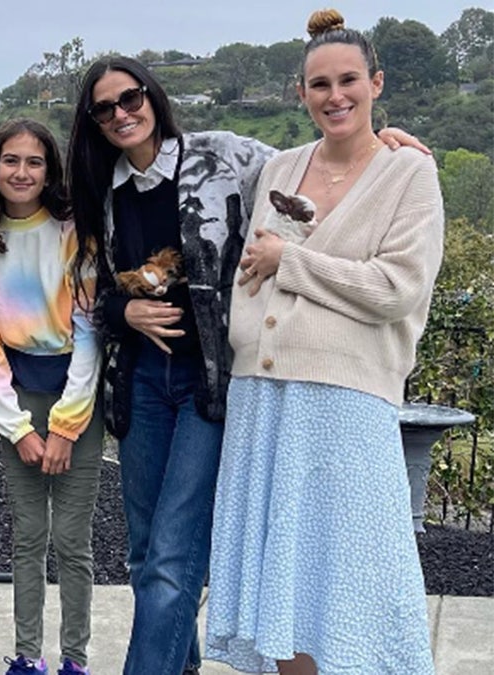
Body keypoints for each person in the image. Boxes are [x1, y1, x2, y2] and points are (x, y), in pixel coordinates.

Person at [66, 56, 420, 675]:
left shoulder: (223, 155)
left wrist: (382, 139)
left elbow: (322, 159)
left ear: (153, 95)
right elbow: (89, 291)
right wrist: (124, 313)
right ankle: (180, 663)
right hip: (141, 383)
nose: (122, 114)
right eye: (105, 108)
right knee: (146, 555)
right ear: (93, 121)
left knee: (174, 558)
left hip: (211, 379)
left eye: (131, 98)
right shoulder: (99, 189)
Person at [205, 9, 443, 675]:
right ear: (300, 93)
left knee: (346, 584)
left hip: (347, 400)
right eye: (318, 85)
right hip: (262, 395)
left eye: (348, 81)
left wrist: (294, 263)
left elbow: (397, 286)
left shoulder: (408, 173)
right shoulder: (279, 164)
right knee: (284, 593)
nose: (335, 96)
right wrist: (256, 311)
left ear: (376, 82)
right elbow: (255, 267)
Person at [0, 118, 102, 675]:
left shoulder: (72, 232)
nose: (22, 172)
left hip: (76, 399)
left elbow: (90, 331)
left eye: (35, 162)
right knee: (27, 539)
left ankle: (75, 659)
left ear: (50, 171)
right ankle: (27, 656)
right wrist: (16, 428)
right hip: (15, 399)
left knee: (72, 541)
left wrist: (66, 426)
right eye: (11, 161)